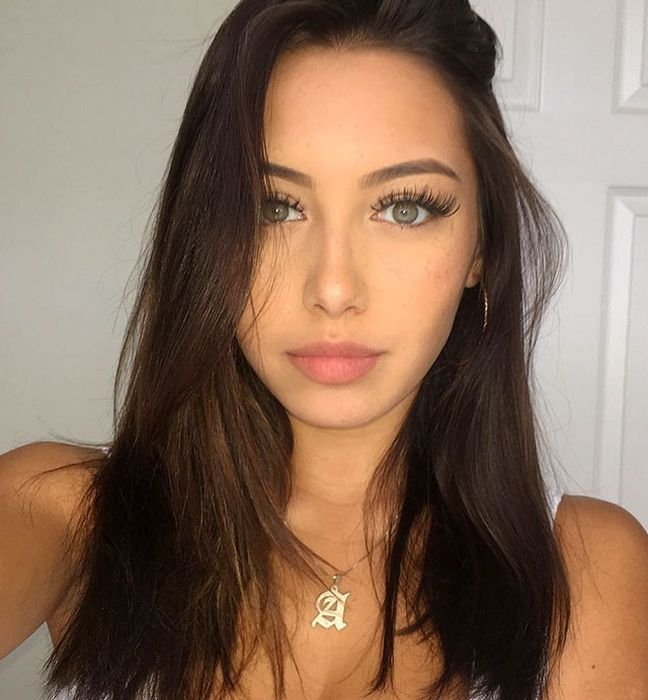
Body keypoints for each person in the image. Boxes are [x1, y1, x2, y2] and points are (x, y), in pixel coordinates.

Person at [1, 1, 647, 698]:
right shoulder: (64, 513)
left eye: (404, 207)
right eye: (274, 207)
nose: (333, 289)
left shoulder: (588, 571)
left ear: (481, 248)